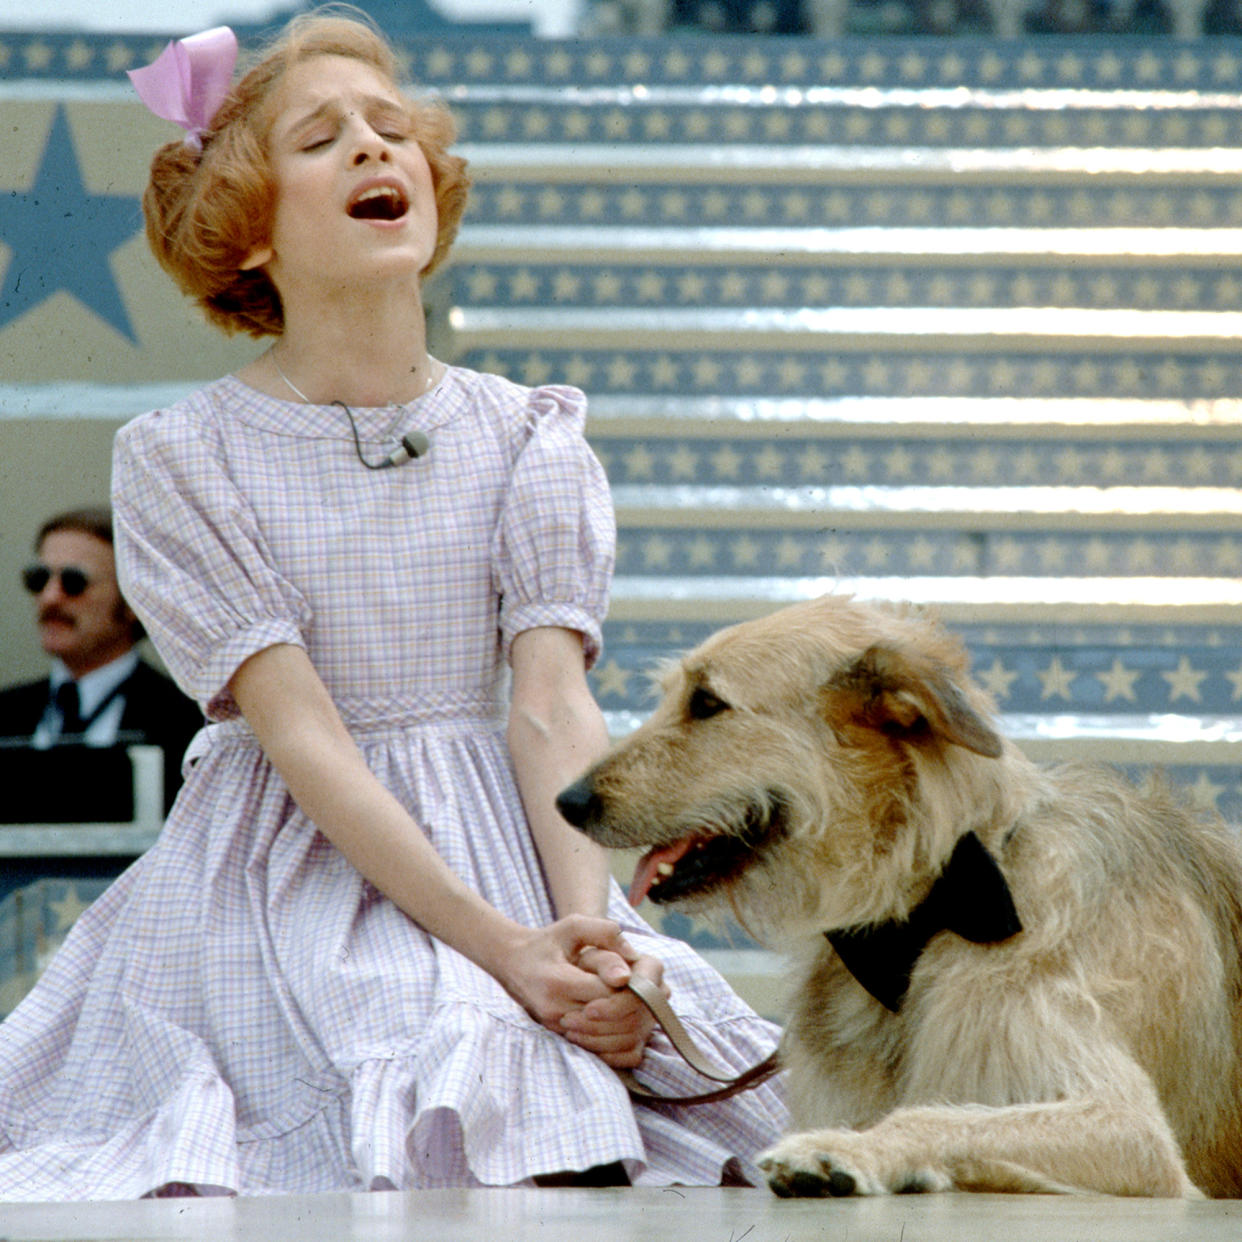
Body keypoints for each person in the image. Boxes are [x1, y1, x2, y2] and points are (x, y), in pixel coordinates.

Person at [0, 13, 786, 1200]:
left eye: (393, 128)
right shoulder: (182, 456)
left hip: (513, 843)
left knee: (583, 1077)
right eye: (322, 139)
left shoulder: (528, 433)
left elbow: (551, 703)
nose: (377, 150)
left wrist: (590, 938)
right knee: (429, 1050)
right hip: (291, 866)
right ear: (249, 232)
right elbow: (304, 735)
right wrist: (506, 951)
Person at [0, 506, 203, 821]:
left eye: (74, 581)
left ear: (134, 600)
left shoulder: (186, 722)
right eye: (39, 579)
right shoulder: (7, 713)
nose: (50, 598)